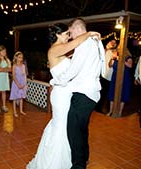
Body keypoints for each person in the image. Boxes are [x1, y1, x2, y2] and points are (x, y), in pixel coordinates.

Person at [27, 23, 100, 169]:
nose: (69, 36)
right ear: (58, 35)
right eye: (67, 33)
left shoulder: (62, 51)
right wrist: (89, 33)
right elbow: (75, 43)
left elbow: (76, 56)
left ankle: (69, 159)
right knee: (61, 127)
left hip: (67, 93)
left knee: (67, 127)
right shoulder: (55, 49)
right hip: (61, 95)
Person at [50, 18, 105, 169]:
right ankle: (84, 157)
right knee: (81, 128)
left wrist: (56, 81)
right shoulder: (94, 42)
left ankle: (78, 166)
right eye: (67, 33)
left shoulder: (85, 44)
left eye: (70, 31)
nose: (70, 35)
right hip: (89, 91)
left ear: (76, 28)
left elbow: (74, 70)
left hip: (83, 92)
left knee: (74, 131)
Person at [107, 47, 133, 117]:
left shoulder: (128, 57)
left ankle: (120, 112)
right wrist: (112, 58)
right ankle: (110, 111)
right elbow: (109, 65)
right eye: (118, 49)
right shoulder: (115, 57)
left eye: (119, 49)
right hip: (115, 77)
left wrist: (121, 59)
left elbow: (130, 66)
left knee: (123, 94)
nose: (118, 50)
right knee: (112, 93)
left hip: (125, 78)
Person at [96, 39, 117, 113]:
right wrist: (107, 48)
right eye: (111, 42)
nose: (112, 44)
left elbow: (111, 65)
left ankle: (104, 108)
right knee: (100, 92)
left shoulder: (115, 53)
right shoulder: (105, 51)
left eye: (114, 43)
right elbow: (99, 57)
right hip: (102, 74)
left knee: (106, 93)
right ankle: (97, 107)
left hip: (110, 76)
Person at [0, 45, 11, 115]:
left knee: (4, 92)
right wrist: (5, 69)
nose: (4, 52)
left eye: (5, 51)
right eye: (3, 51)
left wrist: (3, 69)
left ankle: (4, 105)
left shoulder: (7, 60)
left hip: (5, 78)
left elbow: (10, 69)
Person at [9, 51, 27, 117]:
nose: (21, 59)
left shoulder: (23, 66)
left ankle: (21, 110)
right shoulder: (14, 66)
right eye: (19, 57)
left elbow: (24, 74)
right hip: (16, 83)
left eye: (22, 58)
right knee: (15, 97)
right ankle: (14, 111)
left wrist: (24, 84)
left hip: (22, 82)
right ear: (16, 58)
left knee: (21, 97)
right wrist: (18, 84)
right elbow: (13, 76)